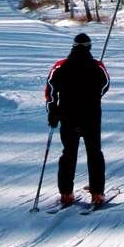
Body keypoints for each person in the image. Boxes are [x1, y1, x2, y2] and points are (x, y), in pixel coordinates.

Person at [45, 33, 111, 206]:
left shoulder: (60, 66)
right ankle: (97, 194)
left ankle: (66, 193)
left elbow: (50, 90)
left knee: (68, 154)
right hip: (91, 116)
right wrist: (94, 96)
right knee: (94, 153)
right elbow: (105, 86)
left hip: (67, 116)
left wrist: (52, 111)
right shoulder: (97, 66)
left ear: (73, 46)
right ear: (89, 47)